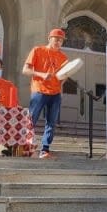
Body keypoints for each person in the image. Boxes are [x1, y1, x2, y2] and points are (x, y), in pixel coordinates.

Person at [22, 28, 68, 159]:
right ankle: (25, 145)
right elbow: (25, 70)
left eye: (61, 40)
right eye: (56, 39)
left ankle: (45, 149)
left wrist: (62, 86)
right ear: (49, 38)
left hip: (56, 93)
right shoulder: (38, 50)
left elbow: (64, 76)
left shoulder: (64, 58)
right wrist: (41, 74)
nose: (59, 42)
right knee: (31, 119)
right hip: (39, 90)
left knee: (51, 122)